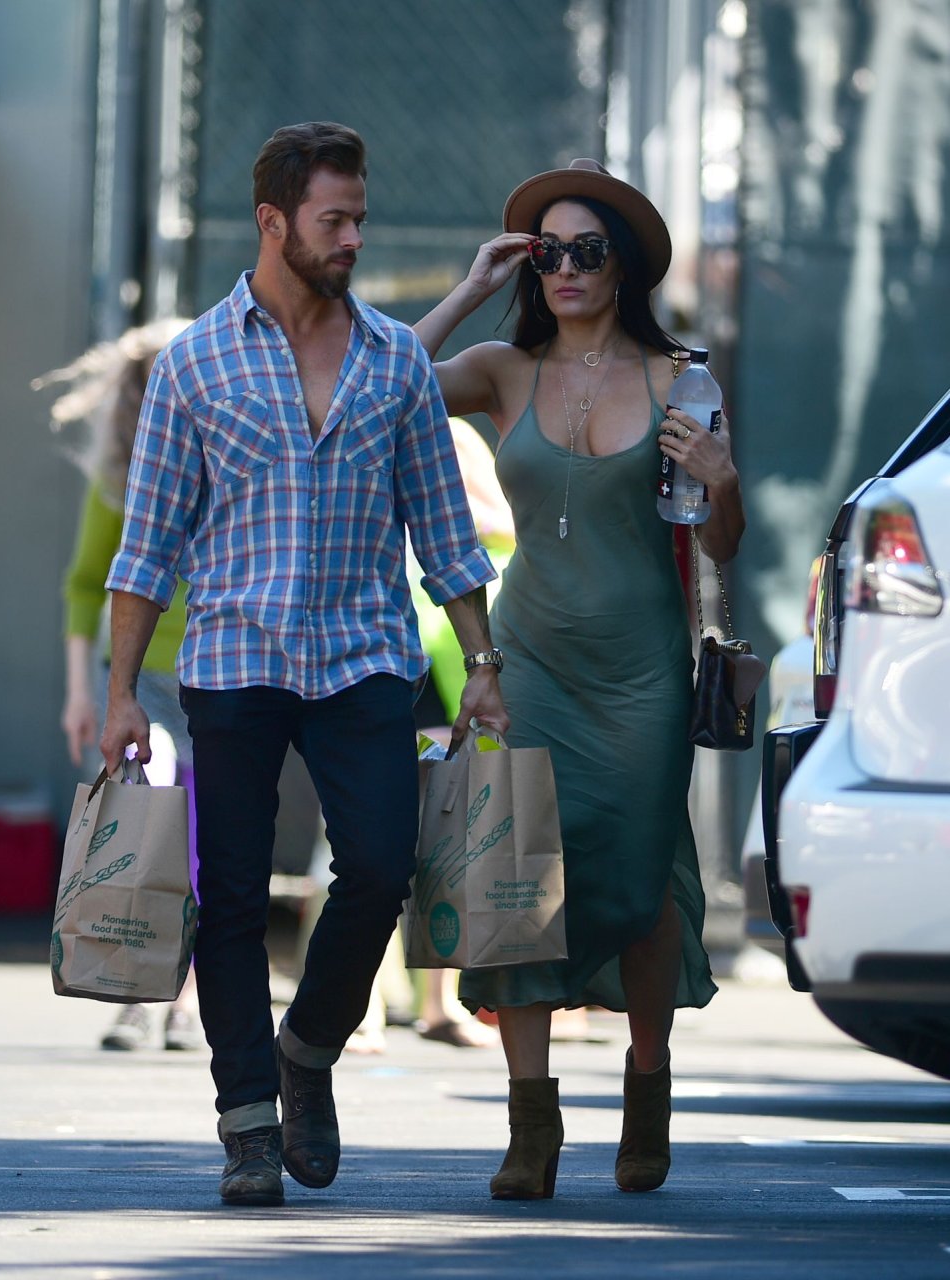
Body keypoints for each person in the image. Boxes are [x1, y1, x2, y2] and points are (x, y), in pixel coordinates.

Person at [98, 121, 508, 1208]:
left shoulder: (395, 361)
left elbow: (446, 532)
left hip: (363, 656)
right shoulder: (195, 364)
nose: (354, 238)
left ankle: (309, 1047)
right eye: (335, 220)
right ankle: (246, 1124)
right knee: (230, 896)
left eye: (359, 218)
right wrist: (119, 695)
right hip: (234, 658)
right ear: (273, 221)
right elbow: (146, 548)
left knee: (379, 866)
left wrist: (482, 662)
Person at [414, 158, 745, 1199]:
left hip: (641, 670)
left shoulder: (682, 379)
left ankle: (647, 1088)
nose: (563, 268)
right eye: (546, 252)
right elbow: (385, 385)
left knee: (641, 884)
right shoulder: (502, 369)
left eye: (585, 250)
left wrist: (722, 482)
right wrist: (469, 287)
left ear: (623, 265)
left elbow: (722, 542)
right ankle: (532, 1126)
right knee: (516, 876)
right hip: (529, 660)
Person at [38, 320, 202, 1052]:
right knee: (145, 824)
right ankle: (133, 993)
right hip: (142, 683)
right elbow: (84, 585)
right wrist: (81, 692)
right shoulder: (119, 479)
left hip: (220, 677)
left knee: (207, 841)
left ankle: (186, 998)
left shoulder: (228, 459)